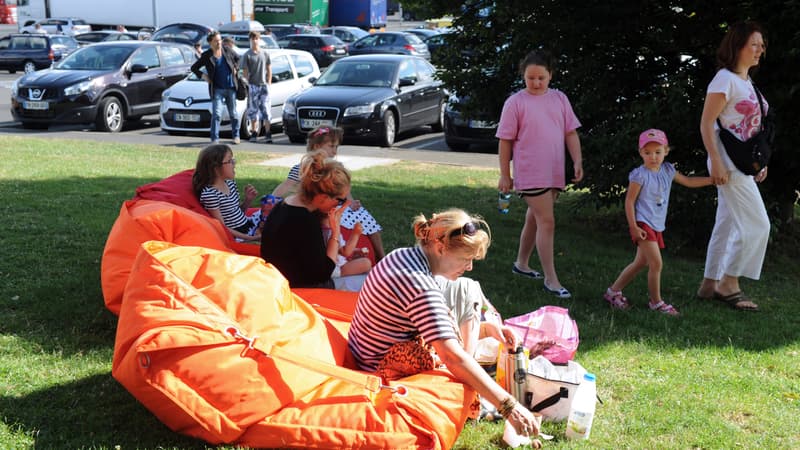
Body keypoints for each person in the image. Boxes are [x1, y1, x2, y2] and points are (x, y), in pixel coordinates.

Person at [347, 209, 540, 438]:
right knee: (465, 374)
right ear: (441, 248)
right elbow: (452, 358)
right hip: (379, 368)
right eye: (466, 259)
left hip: (366, 352)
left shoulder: (403, 255)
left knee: (466, 287)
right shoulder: (421, 287)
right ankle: (480, 403)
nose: (469, 266)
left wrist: (486, 329)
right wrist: (509, 406)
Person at [496, 50, 584, 299]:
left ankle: (521, 264)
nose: (535, 83)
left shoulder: (559, 99)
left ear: (550, 76)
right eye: (530, 78)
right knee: (547, 221)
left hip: (554, 170)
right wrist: (505, 175)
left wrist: (577, 160)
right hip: (530, 172)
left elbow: (570, 133)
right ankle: (551, 279)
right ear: (523, 76)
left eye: (541, 78)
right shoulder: (515, 102)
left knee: (534, 219)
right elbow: (505, 141)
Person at [696, 21, 770, 312]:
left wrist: (759, 163)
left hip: (741, 163)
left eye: (761, 45)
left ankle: (709, 284)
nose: (759, 50)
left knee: (726, 225)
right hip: (726, 162)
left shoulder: (745, 81)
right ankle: (729, 282)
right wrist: (715, 160)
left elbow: (749, 128)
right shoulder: (724, 80)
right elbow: (706, 124)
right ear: (737, 46)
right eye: (753, 44)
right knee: (758, 224)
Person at [603, 129, 713, 316]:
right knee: (656, 264)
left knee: (639, 263)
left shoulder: (668, 170)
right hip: (643, 224)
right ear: (640, 153)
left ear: (666, 151)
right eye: (647, 153)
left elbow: (688, 180)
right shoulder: (640, 175)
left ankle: (613, 292)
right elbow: (629, 201)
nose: (653, 157)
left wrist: (712, 180)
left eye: (657, 152)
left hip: (656, 224)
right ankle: (656, 303)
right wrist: (634, 227)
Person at [272, 126, 387, 261]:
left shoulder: (337, 167)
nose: (334, 151)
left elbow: (343, 190)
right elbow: (287, 184)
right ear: (316, 146)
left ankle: (380, 256)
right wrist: (273, 198)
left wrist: (350, 202)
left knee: (365, 216)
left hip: (336, 204)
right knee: (359, 218)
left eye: (336, 147)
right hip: (321, 208)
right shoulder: (304, 167)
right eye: (331, 146)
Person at [261, 150, 351, 288]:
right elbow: (323, 273)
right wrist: (335, 232)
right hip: (298, 290)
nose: (342, 205)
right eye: (340, 200)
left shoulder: (283, 205)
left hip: (276, 281)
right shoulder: (306, 221)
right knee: (369, 284)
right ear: (323, 197)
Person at [192, 144, 261, 242]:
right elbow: (222, 227)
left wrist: (248, 200)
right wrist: (251, 238)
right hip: (237, 235)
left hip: (247, 224)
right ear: (215, 168)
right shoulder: (210, 194)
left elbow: (236, 213)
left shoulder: (230, 183)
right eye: (229, 161)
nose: (234, 163)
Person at [191, 30, 242, 145]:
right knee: (217, 114)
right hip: (217, 89)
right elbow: (194, 68)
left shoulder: (227, 51)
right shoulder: (207, 56)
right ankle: (214, 139)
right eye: (216, 41)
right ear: (210, 43)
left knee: (233, 114)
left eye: (220, 40)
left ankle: (236, 136)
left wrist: (235, 68)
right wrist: (203, 75)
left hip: (231, 87)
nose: (219, 43)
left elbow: (238, 59)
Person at [242, 31, 273, 143]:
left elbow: (269, 69)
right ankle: (254, 132)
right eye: (252, 38)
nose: (254, 40)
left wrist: (269, 82)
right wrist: (248, 84)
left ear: (259, 40)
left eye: (256, 38)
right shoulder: (247, 55)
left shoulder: (265, 54)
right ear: (249, 40)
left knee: (266, 109)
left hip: (263, 85)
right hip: (253, 85)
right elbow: (245, 72)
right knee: (253, 110)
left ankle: (268, 133)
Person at [320, 215, 372, 280]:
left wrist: (356, 251)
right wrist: (356, 233)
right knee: (366, 263)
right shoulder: (331, 233)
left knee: (364, 265)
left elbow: (339, 250)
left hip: (331, 267)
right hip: (337, 270)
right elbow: (345, 251)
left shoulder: (321, 231)